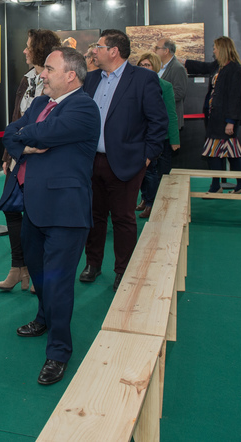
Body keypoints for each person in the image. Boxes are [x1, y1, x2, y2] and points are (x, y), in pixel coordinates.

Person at [2, 46, 100, 386]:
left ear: (70, 75)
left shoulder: (85, 108)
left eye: (49, 68)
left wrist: (25, 137)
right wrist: (25, 143)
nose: (42, 74)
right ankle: (44, 317)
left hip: (66, 213)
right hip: (34, 208)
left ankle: (59, 352)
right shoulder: (42, 103)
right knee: (41, 275)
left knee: (58, 283)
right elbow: (9, 133)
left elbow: (43, 133)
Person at [81, 29, 168, 291]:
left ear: (113, 51)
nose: (93, 51)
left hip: (127, 163)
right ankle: (93, 264)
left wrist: (147, 157)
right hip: (90, 161)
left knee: (123, 218)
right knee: (93, 217)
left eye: (98, 46)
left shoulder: (143, 79)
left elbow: (158, 121)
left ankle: (123, 270)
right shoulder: (91, 79)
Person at [0, 29, 61, 292]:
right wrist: (8, 155)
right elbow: (16, 118)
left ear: (40, 48)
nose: (24, 50)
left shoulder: (56, 81)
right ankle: (18, 267)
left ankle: (38, 271)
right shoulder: (27, 79)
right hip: (19, 155)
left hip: (43, 157)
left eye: (28, 46)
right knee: (12, 209)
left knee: (39, 214)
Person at [184, 37, 241, 194]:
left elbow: (236, 98)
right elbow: (203, 67)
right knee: (223, 152)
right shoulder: (219, 67)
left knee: (221, 151)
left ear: (223, 49)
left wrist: (231, 121)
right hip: (215, 118)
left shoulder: (235, 69)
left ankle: (219, 186)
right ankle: (235, 184)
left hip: (225, 119)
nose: (213, 51)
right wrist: (184, 61)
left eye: (215, 48)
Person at [134, 52, 180, 217]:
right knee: (141, 173)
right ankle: (145, 199)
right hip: (138, 138)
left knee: (153, 173)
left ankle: (152, 204)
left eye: (148, 65)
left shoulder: (165, 86)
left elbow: (170, 114)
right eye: (142, 64)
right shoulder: (134, 85)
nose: (144, 68)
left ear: (155, 67)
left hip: (158, 138)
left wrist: (174, 139)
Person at [155, 38, 188, 134]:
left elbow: (179, 93)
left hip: (170, 121)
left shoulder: (177, 68)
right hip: (159, 120)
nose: (155, 51)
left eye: (157, 48)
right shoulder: (158, 67)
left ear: (166, 51)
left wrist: (157, 96)